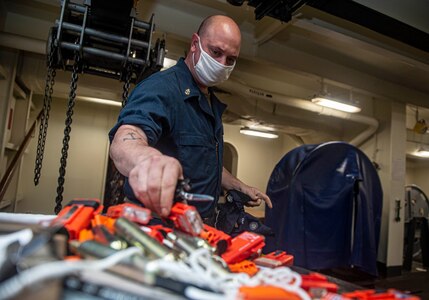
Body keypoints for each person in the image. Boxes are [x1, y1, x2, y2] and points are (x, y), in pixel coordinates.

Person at [109, 15, 272, 220]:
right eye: (216, 52)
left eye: (230, 59)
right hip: (158, 228)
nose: (222, 64)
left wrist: (239, 186)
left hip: (197, 226)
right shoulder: (162, 88)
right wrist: (148, 160)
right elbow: (125, 140)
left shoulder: (210, 103)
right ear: (195, 44)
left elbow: (206, 162)